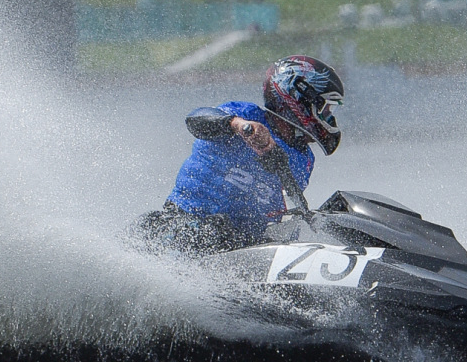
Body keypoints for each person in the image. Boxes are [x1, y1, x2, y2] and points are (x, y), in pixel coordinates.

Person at [140, 55, 345, 254]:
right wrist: (239, 126)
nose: (329, 118)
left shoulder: (304, 159)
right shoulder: (245, 114)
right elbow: (195, 120)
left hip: (241, 246)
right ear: (300, 99)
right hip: (185, 228)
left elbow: (280, 210)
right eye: (326, 109)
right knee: (215, 232)